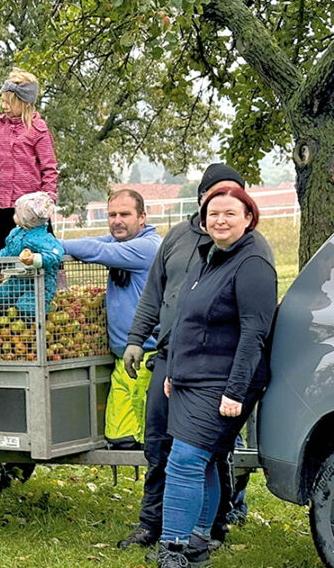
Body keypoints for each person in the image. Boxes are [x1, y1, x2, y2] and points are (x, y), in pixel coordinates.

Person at [117, 164, 273, 552]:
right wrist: (138, 338)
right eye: (215, 201)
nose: (222, 209)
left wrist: (236, 386)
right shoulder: (179, 239)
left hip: (218, 368)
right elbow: (155, 293)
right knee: (159, 445)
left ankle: (209, 529)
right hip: (173, 359)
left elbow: (253, 327)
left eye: (232, 200)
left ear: (246, 209)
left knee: (205, 452)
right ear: (203, 200)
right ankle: (152, 523)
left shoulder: (250, 250)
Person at [156, 186, 276, 567]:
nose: (220, 220)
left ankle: (171, 551)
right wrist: (175, 370)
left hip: (224, 383)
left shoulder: (253, 263)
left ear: (248, 217)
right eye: (213, 214)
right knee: (203, 461)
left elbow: (254, 333)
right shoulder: (209, 257)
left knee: (185, 459)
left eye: (229, 213)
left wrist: (236, 392)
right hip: (193, 379)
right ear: (204, 220)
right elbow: (185, 319)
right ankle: (196, 545)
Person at [62, 189, 161, 449]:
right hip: (125, 358)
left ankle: (166, 487)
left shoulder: (147, 248)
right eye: (112, 215)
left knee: (140, 441)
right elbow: (93, 241)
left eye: (125, 214)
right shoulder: (121, 243)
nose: (117, 220)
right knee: (120, 438)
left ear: (142, 217)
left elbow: (94, 249)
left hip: (146, 357)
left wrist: (52, 246)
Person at [0, 68, 59, 251]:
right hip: (4, 203)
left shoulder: (38, 129)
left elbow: (49, 167)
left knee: (45, 245)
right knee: (4, 245)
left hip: (32, 206)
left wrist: (47, 199)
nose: (4, 106)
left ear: (23, 103)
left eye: (8, 102)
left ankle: (55, 279)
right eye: (2, 101)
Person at [0, 192, 65, 321]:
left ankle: (40, 317)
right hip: (19, 279)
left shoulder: (43, 237)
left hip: (40, 283)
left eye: (18, 214)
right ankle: (10, 320)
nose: (14, 216)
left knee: (26, 306)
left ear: (29, 219)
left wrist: (35, 258)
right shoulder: (16, 233)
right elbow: (9, 249)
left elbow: (55, 254)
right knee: (2, 294)